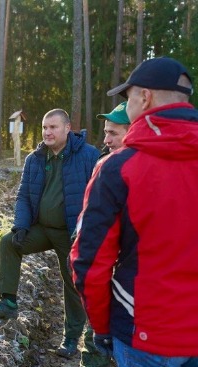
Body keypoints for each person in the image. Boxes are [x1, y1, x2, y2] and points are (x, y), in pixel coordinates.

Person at [70, 57, 198, 366]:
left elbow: (88, 262)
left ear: (145, 97)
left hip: (144, 334)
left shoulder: (118, 168)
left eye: (128, 98)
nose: (127, 106)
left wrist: (102, 328)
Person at [0, 109, 99, 358]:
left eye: (53, 127)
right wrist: (21, 225)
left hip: (70, 233)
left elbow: (97, 197)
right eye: (45, 127)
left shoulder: (88, 156)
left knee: (72, 282)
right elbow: (24, 195)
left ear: (67, 129)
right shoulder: (35, 158)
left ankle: (71, 338)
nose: (48, 132)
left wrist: (83, 231)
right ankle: (8, 302)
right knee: (8, 243)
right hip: (42, 229)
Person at [79, 101, 129, 367]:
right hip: (104, 283)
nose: (106, 139)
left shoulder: (126, 169)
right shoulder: (103, 163)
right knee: (95, 347)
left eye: (114, 133)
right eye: (106, 132)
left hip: (122, 284)